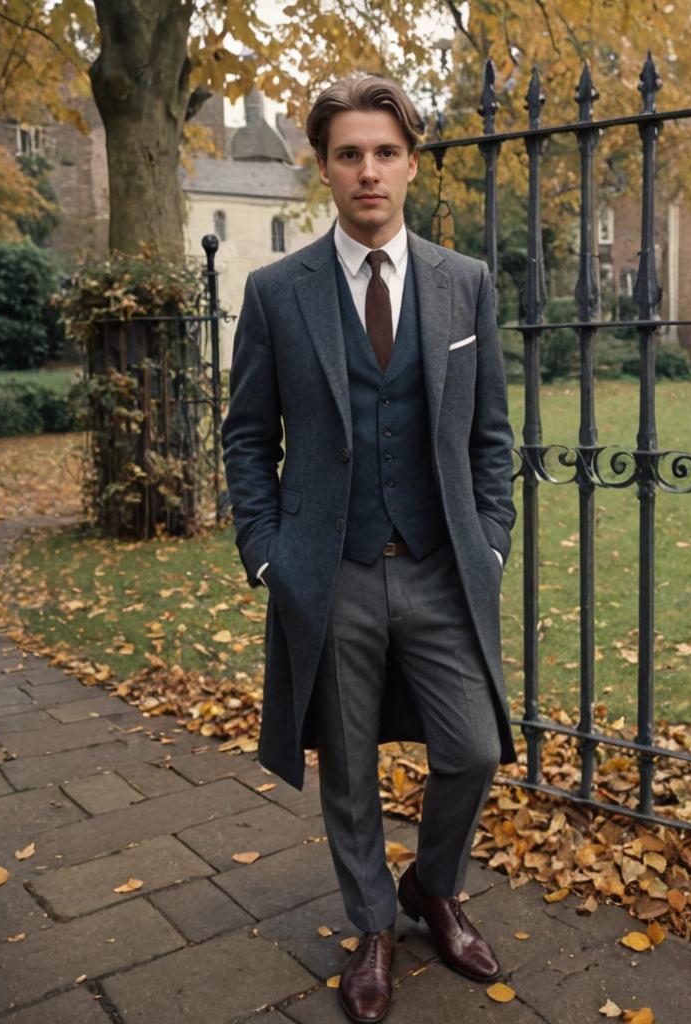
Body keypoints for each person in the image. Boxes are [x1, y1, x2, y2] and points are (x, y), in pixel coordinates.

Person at [220, 72, 518, 1023]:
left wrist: (492, 542)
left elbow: (492, 439)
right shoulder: (275, 292)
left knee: (471, 749)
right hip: (329, 570)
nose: (368, 171)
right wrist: (269, 554)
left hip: (438, 567)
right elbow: (245, 436)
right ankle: (373, 927)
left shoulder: (463, 283)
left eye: (385, 151)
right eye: (349, 153)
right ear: (324, 167)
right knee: (347, 768)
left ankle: (434, 887)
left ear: (412, 164)